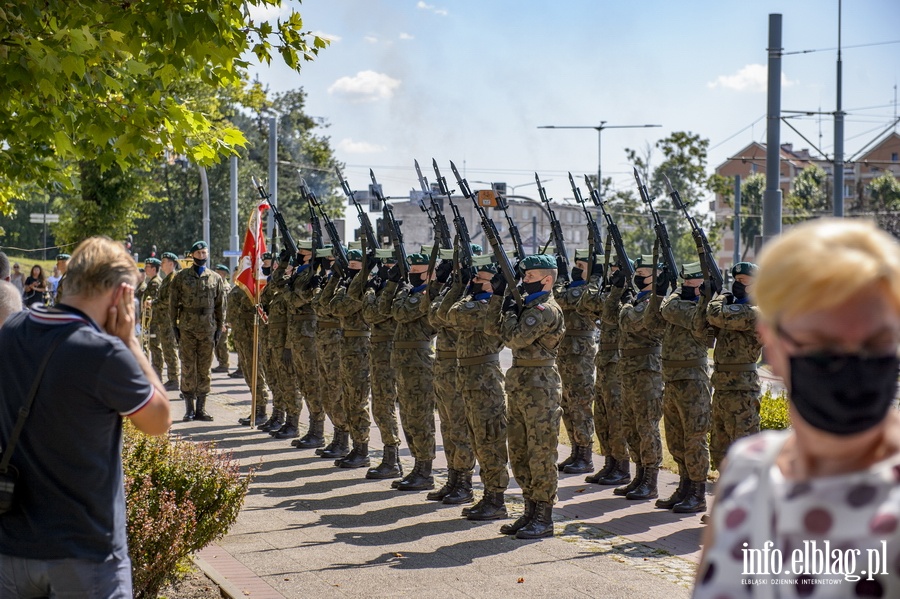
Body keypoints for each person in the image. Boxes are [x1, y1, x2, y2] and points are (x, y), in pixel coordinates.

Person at [694, 218, 900, 597]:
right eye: (822, 342)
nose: (851, 362)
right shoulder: (747, 469)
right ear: (771, 341)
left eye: (878, 341)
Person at [0, 236, 170, 597]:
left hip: (11, 547)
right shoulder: (104, 352)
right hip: (84, 552)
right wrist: (131, 343)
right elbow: (159, 421)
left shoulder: (10, 332)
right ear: (121, 294)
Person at [488, 254, 565, 539]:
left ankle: (544, 517)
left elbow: (515, 339)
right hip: (520, 385)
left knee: (541, 453)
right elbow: (490, 330)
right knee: (519, 452)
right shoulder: (526, 307)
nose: (524, 282)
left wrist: (508, 312)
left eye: (529, 278)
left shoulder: (546, 310)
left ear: (547, 279)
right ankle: (529, 510)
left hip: (540, 389)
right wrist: (498, 297)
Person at [441, 257, 511, 517]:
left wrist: (462, 291)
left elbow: (450, 314)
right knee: (475, 439)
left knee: (490, 441)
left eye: (479, 280)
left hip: (485, 382)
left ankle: (496, 499)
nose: (473, 283)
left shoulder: (487, 309)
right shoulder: (481, 304)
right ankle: (483, 494)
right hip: (469, 379)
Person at [652, 262, 711, 513]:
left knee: (694, 439)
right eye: (684, 282)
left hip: (693, 381)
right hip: (672, 378)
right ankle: (684, 486)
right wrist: (662, 291)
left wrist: (683, 298)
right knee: (676, 440)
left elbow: (694, 321)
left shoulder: (706, 307)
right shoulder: (677, 303)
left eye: (692, 283)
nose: (687, 287)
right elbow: (656, 319)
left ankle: (697, 493)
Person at [378, 252, 438, 491]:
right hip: (402, 361)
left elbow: (402, 313)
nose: (412, 276)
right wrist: (392, 282)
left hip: (420, 362)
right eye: (410, 272)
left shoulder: (430, 294)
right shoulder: (407, 292)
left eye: (418, 272)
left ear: (430, 274)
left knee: (421, 417)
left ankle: (425, 470)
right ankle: (416, 465)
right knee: (408, 417)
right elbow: (385, 309)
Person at [610, 255, 667, 500]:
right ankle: (639, 474)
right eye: (638, 271)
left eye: (644, 271)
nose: (639, 276)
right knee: (630, 426)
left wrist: (624, 305)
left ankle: (651, 480)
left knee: (646, 427)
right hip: (629, 370)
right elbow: (612, 317)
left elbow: (632, 322)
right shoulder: (636, 300)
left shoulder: (656, 304)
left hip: (647, 371)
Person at [576, 257, 635, 486]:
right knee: (602, 416)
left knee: (617, 417)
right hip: (604, 361)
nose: (613, 273)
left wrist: (620, 290)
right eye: (611, 270)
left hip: (619, 362)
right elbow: (583, 306)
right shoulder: (612, 292)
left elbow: (613, 316)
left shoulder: (630, 297)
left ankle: (622, 466)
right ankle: (610, 462)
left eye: (617, 270)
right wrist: (597, 280)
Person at [706, 262, 763, 471]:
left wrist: (720, 297)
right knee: (720, 449)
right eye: (735, 281)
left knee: (744, 449)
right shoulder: (733, 306)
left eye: (742, 281)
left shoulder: (756, 311)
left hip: (742, 391)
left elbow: (715, 315)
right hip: (721, 387)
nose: (737, 285)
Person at [169, 241, 226, 421]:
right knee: (187, 366)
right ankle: (189, 409)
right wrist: (174, 326)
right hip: (187, 328)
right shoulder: (181, 277)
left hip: (208, 329)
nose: (202, 256)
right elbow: (173, 304)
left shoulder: (215, 278)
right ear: (192, 255)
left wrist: (219, 328)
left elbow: (220, 306)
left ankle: (201, 409)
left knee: (204, 368)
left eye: (204, 253)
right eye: (199, 253)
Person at [327, 249, 373, 468]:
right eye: (350, 266)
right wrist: (337, 278)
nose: (351, 271)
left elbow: (346, 305)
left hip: (360, 348)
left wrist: (361, 279)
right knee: (347, 399)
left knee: (358, 401)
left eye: (356, 268)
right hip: (346, 346)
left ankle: (362, 449)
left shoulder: (366, 289)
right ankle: (354, 446)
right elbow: (331, 306)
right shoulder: (347, 286)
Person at [554, 252, 599, 475]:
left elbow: (563, 298)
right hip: (564, 349)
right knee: (567, 404)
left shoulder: (590, 288)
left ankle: (585, 454)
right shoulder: (576, 286)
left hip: (580, 351)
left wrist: (561, 279)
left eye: (581, 265)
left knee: (580, 403)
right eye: (575, 264)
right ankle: (575, 449)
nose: (576, 269)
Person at [360, 252, 403, 478]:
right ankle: (391, 457)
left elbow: (372, 314)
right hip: (378, 350)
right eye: (383, 264)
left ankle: (392, 458)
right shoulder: (387, 287)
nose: (386, 268)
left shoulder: (399, 289)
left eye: (390, 264)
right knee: (379, 404)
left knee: (385, 405)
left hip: (389, 352)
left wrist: (370, 290)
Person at [155, 252, 181, 390]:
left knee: (170, 349)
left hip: (170, 320)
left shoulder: (173, 279)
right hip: (164, 320)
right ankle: (172, 378)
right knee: (167, 348)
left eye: (164, 261)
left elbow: (169, 301)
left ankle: (174, 379)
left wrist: (153, 303)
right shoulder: (167, 279)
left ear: (171, 263)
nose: (161, 264)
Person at [212, 264, 232, 373]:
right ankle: (221, 363)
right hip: (217, 319)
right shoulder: (217, 285)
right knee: (217, 342)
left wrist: (224, 322)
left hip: (223, 320)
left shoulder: (225, 287)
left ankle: (224, 364)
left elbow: (225, 306)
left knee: (222, 343)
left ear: (223, 274)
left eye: (218, 272)